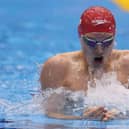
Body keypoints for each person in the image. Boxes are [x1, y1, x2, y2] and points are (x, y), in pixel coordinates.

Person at [40, 6, 129, 121]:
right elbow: (50, 116)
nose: (99, 50)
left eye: (107, 42)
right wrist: (81, 119)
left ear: (114, 36)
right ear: (80, 36)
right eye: (91, 42)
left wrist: (123, 115)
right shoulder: (58, 67)